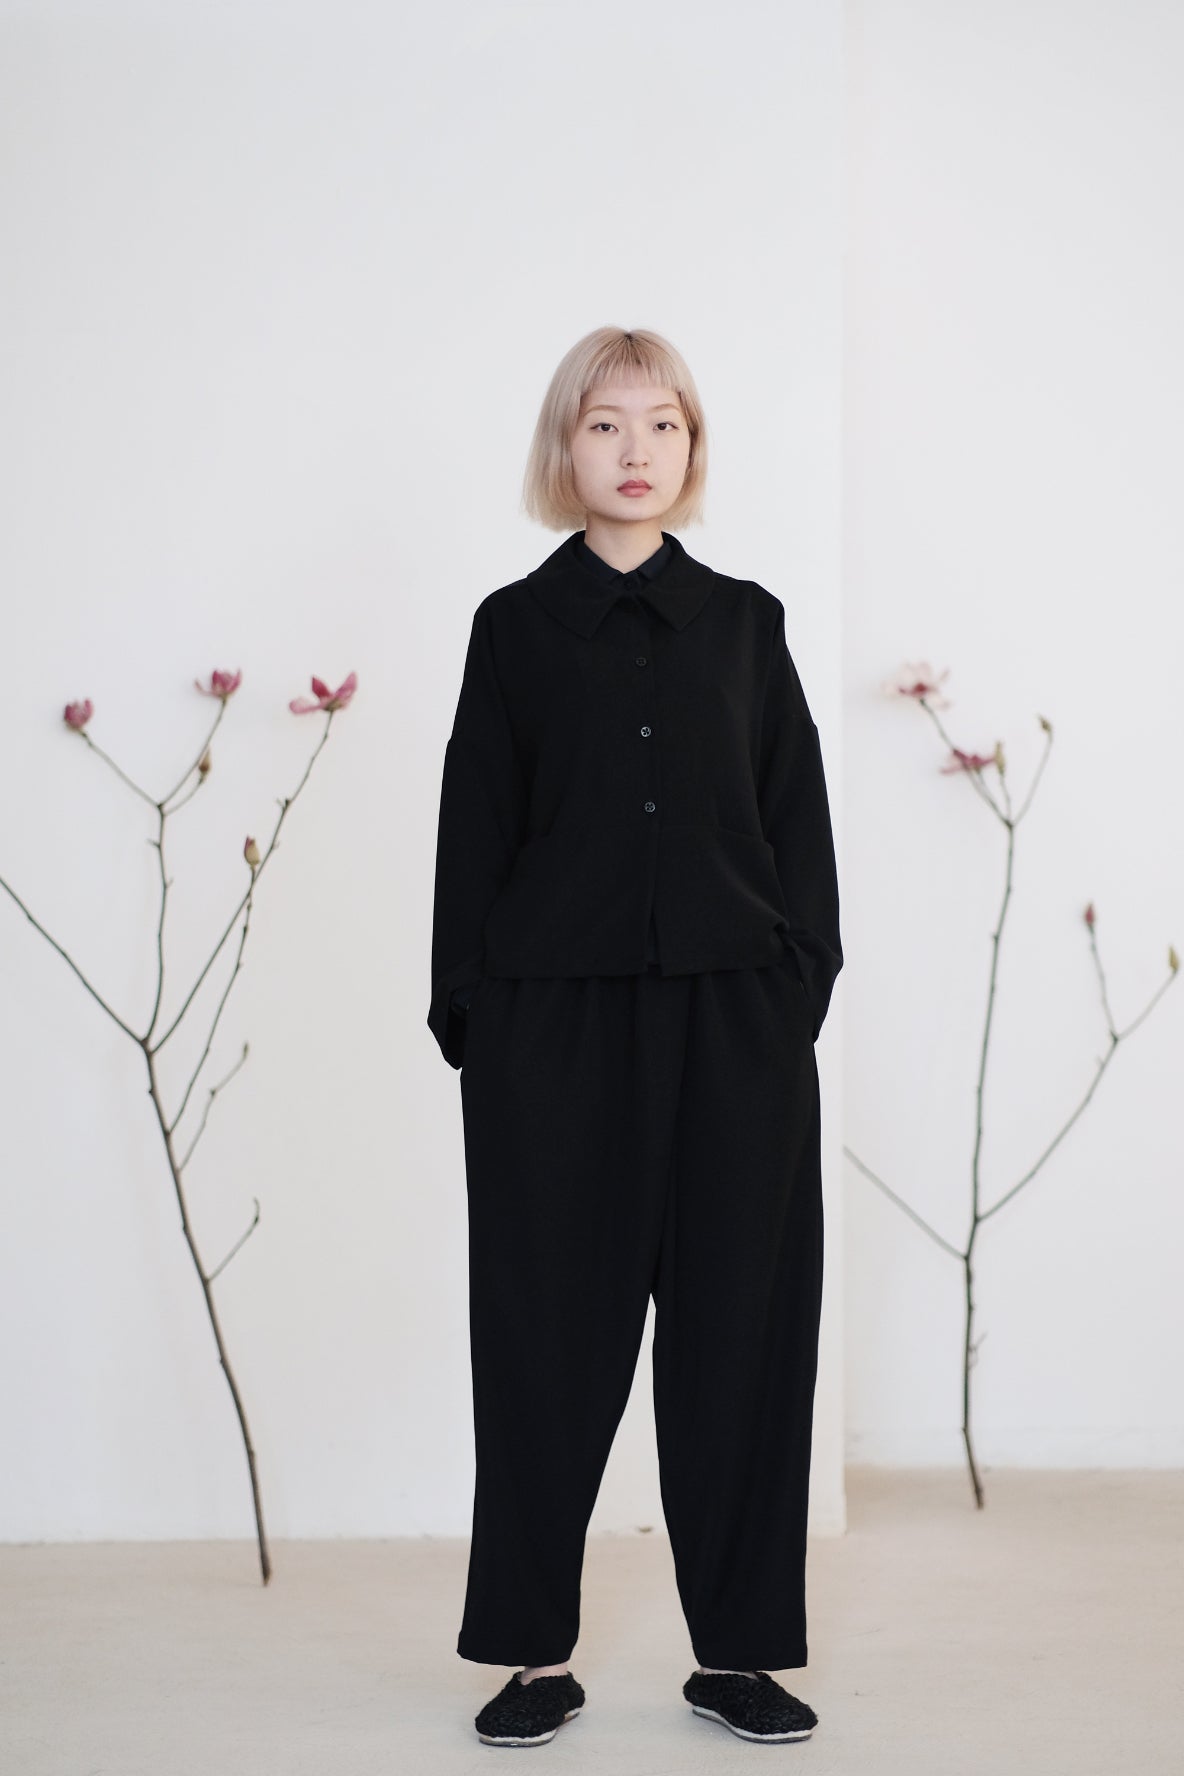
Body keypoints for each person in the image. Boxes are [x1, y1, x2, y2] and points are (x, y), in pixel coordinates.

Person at [427, 325, 842, 1748]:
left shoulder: (746, 626)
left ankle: (739, 1655)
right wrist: (479, 1023)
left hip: (736, 1029)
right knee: (543, 1342)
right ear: (566, 447)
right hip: (553, 1035)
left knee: (744, 1345)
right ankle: (530, 1655)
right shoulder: (513, 629)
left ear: (692, 447)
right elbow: (474, 828)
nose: (635, 451)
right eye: (605, 424)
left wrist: (793, 992)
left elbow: (798, 824)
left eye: (663, 424)